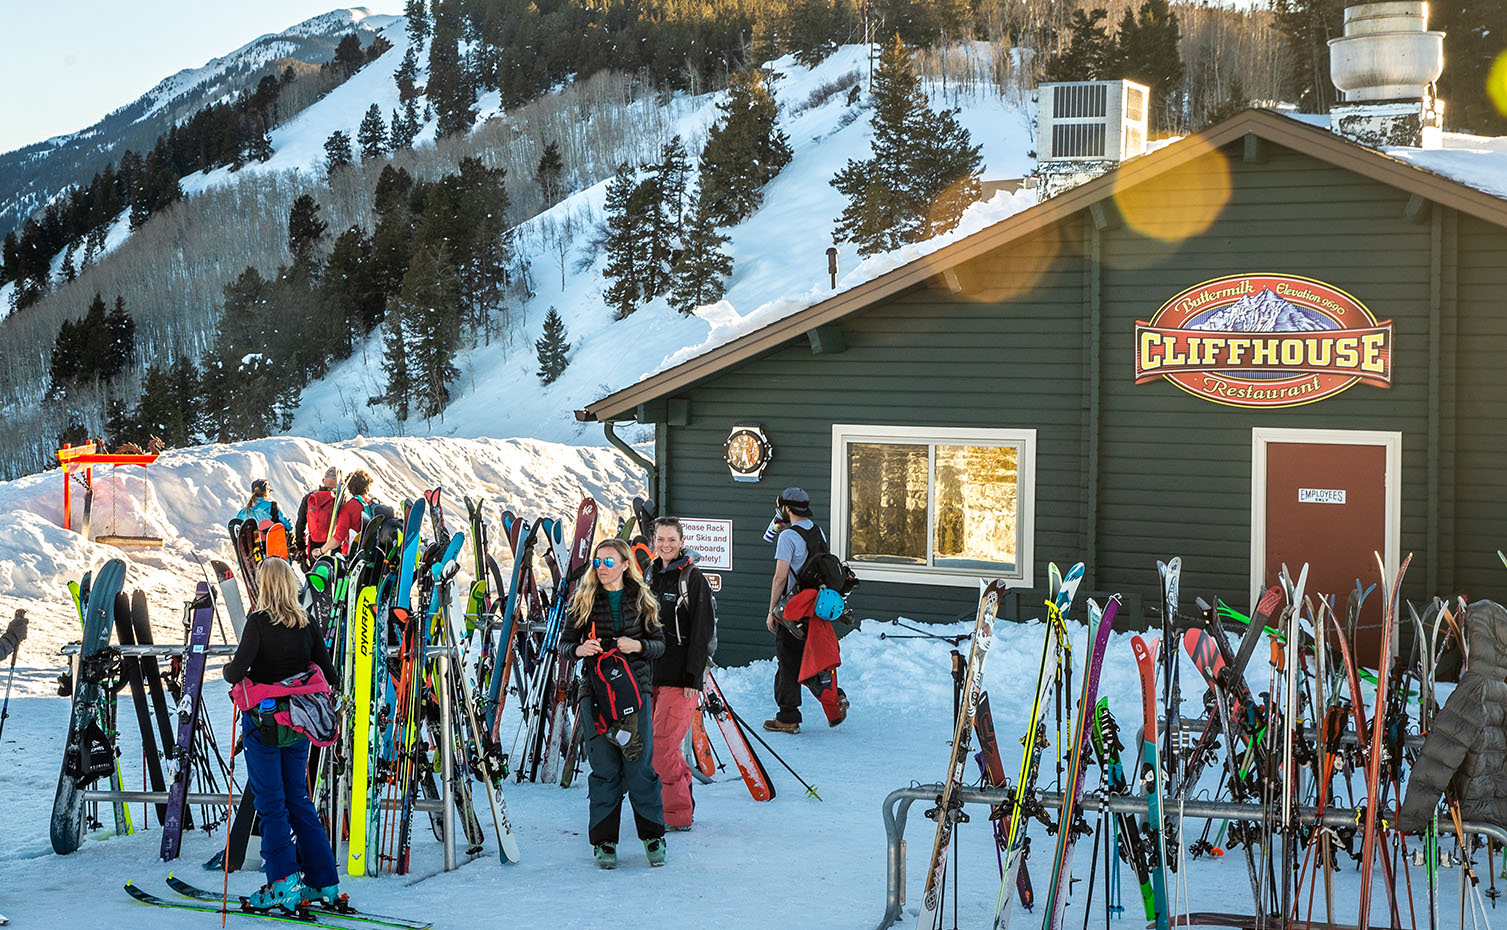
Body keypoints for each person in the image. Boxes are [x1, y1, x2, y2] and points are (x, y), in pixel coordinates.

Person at [223, 557, 341, 912]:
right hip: (300, 724)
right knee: (299, 800)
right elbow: (330, 674)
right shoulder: (307, 624)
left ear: (265, 586)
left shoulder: (258, 623)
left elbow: (235, 673)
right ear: (290, 584)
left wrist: (233, 665)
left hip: (264, 725)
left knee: (271, 804)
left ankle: (283, 883)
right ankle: (324, 881)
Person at [558, 538, 667, 869]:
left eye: (609, 562)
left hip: (635, 694)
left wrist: (637, 646)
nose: (602, 568)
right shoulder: (584, 600)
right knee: (604, 769)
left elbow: (660, 645)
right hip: (595, 694)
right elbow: (564, 645)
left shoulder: (643, 600)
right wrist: (579, 650)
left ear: (624, 564)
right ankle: (604, 842)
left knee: (639, 766)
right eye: (597, 562)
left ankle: (653, 837)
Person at [647, 517, 716, 832]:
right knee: (651, 746)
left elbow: (702, 631)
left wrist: (693, 678)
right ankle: (663, 805)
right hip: (650, 675)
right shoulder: (650, 576)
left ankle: (677, 814)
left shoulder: (692, 578)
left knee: (663, 747)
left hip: (680, 678)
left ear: (681, 541)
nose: (666, 545)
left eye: (671, 539)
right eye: (661, 539)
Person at [763, 488, 848, 734]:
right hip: (817, 606)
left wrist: (771, 610)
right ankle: (836, 697)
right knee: (815, 658)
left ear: (786, 509)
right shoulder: (818, 531)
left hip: (793, 609)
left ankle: (788, 716)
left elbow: (780, 577)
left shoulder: (787, 537)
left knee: (788, 661)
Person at [294, 467, 340, 563]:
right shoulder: (339, 499)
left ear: (323, 480)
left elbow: (300, 523)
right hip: (334, 545)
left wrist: (301, 546)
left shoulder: (309, 497)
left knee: (315, 574)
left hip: (314, 546)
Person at [321, 469, 371, 557]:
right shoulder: (371, 505)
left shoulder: (347, 508)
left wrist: (321, 550)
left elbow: (338, 538)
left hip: (350, 556)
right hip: (369, 556)